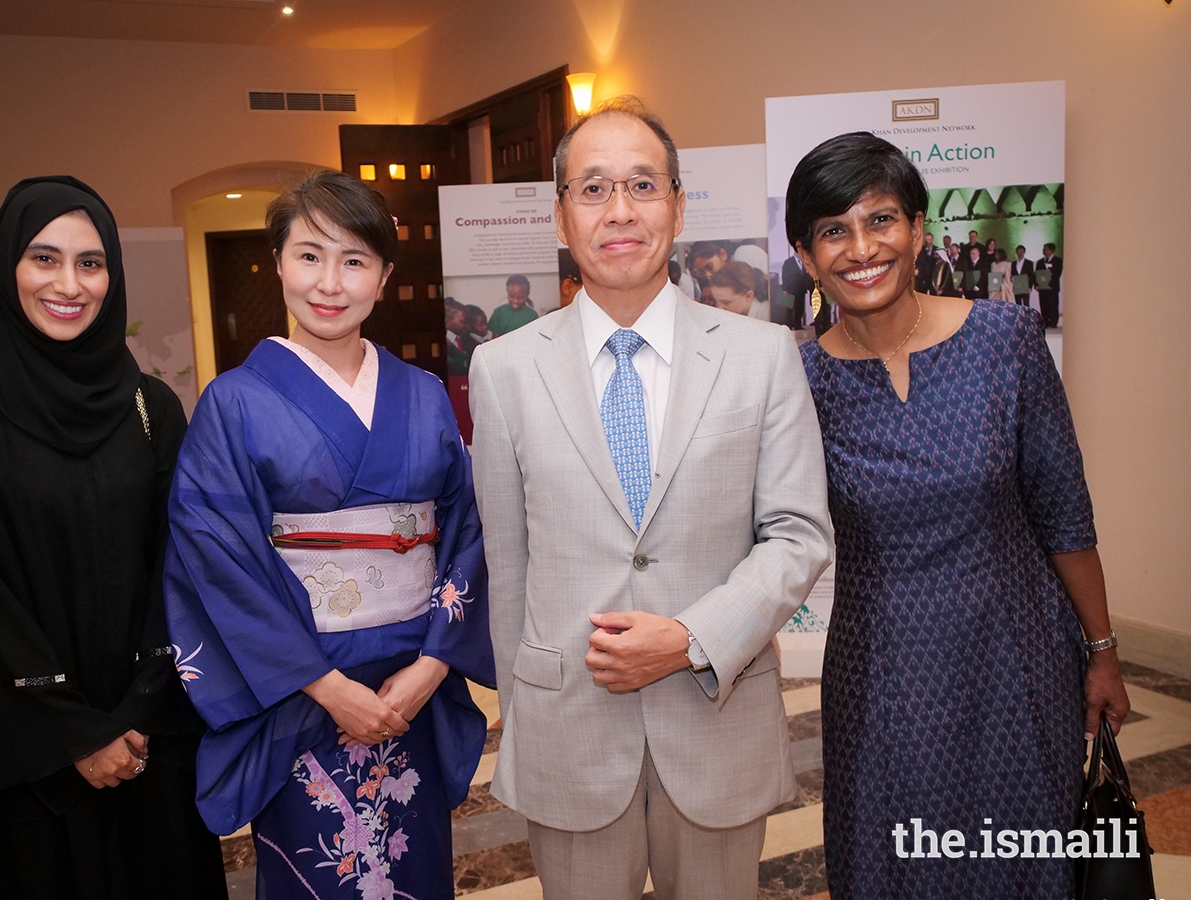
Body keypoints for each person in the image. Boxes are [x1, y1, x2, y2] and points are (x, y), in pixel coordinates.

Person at [469, 96, 833, 900]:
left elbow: (798, 534)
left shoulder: (763, 356)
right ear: (561, 217)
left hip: (716, 721)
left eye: (643, 184)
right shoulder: (503, 370)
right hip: (569, 728)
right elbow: (509, 559)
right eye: (593, 189)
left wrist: (691, 638)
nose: (620, 210)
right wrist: (525, 720)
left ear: (678, 203)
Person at [787, 132, 1129, 900]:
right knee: (894, 864)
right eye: (833, 231)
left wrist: (1101, 651)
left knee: (1022, 861)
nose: (861, 248)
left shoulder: (1004, 341)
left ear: (918, 229)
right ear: (808, 258)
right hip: (882, 676)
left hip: (1017, 659)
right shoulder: (795, 381)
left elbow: (1064, 513)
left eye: (881, 220)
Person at [164, 169, 495, 899]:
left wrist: (435, 666)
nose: (330, 282)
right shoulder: (234, 403)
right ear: (277, 260)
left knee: (415, 868)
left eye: (355, 260)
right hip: (302, 689)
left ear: (383, 276)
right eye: (310, 255)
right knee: (318, 873)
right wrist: (324, 686)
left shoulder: (424, 394)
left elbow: (468, 533)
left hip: (413, 679)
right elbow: (216, 561)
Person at [0, 176, 227, 899]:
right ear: (6, 269)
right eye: (44, 258)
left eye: (90, 263)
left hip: (152, 739)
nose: (69, 283)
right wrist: (79, 734)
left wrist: (137, 711)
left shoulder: (152, 407)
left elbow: (179, 567)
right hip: (35, 754)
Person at [1036, 242, 1064, 327]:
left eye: (1045, 249)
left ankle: (1053, 322)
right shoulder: (1040, 261)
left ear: (1051, 250)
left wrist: (1050, 285)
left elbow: (1057, 274)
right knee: (1044, 305)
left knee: (1053, 304)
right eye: (1043, 249)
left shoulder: (1058, 261)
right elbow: (1037, 274)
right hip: (1042, 288)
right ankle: (1045, 322)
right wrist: (1037, 284)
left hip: (1052, 288)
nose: (1044, 251)